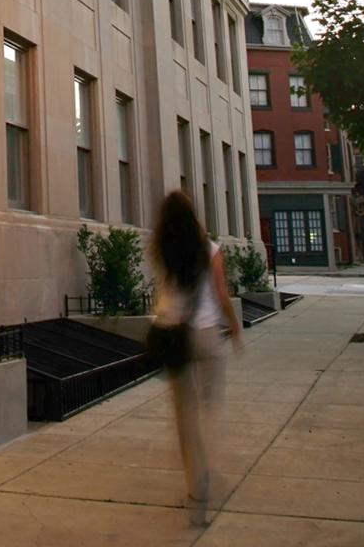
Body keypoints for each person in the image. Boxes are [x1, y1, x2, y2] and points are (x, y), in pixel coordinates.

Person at [150, 189, 243, 525]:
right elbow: (222, 293)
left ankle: (196, 484)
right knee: (210, 408)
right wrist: (234, 327)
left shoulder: (162, 248)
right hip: (205, 335)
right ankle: (207, 469)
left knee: (184, 416)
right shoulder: (210, 249)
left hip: (174, 334)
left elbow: (162, 290)